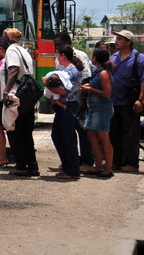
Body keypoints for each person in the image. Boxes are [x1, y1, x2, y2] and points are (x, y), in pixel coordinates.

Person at [0, 28, 39, 176]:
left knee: (14, 131)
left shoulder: (11, 50)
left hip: (15, 96)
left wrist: (5, 92)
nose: (1, 39)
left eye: (3, 37)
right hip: (27, 95)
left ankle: (21, 166)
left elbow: (14, 70)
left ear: (9, 38)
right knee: (26, 133)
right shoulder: (24, 50)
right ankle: (32, 165)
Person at [53, 31, 93, 170]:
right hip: (63, 101)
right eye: (55, 45)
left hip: (77, 100)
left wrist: (84, 101)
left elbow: (87, 78)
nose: (56, 47)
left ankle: (86, 162)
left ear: (68, 43)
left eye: (59, 44)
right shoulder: (58, 58)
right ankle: (71, 161)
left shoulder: (80, 56)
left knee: (82, 132)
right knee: (61, 135)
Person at [46, 45, 84, 179]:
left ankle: (72, 170)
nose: (57, 58)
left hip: (69, 106)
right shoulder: (66, 70)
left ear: (63, 56)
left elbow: (62, 91)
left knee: (67, 138)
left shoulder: (71, 71)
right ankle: (68, 167)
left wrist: (47, 84)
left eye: (58, 55)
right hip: (65, 106)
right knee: (57, 136)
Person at [108, 30, 144, 172]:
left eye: (120, 39)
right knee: (114, 132)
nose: (116, 41)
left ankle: (132, 163)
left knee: (131, 134)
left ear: (128, 42)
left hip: (130, 101)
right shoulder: (114, 57)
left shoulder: (139, 58)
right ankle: (117, 161)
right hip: (114, 101)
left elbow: (143, 80)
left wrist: (141, 99)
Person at [80, 48, 115, 178]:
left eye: (92, 56)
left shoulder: (103, 74)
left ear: (95, 58)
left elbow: (107, 94)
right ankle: (98, 165)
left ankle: (108, 168)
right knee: (92, 136)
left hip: (102, 109)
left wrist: (90, 89)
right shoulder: (98, 72)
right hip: (95, 108)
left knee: (103, 138)